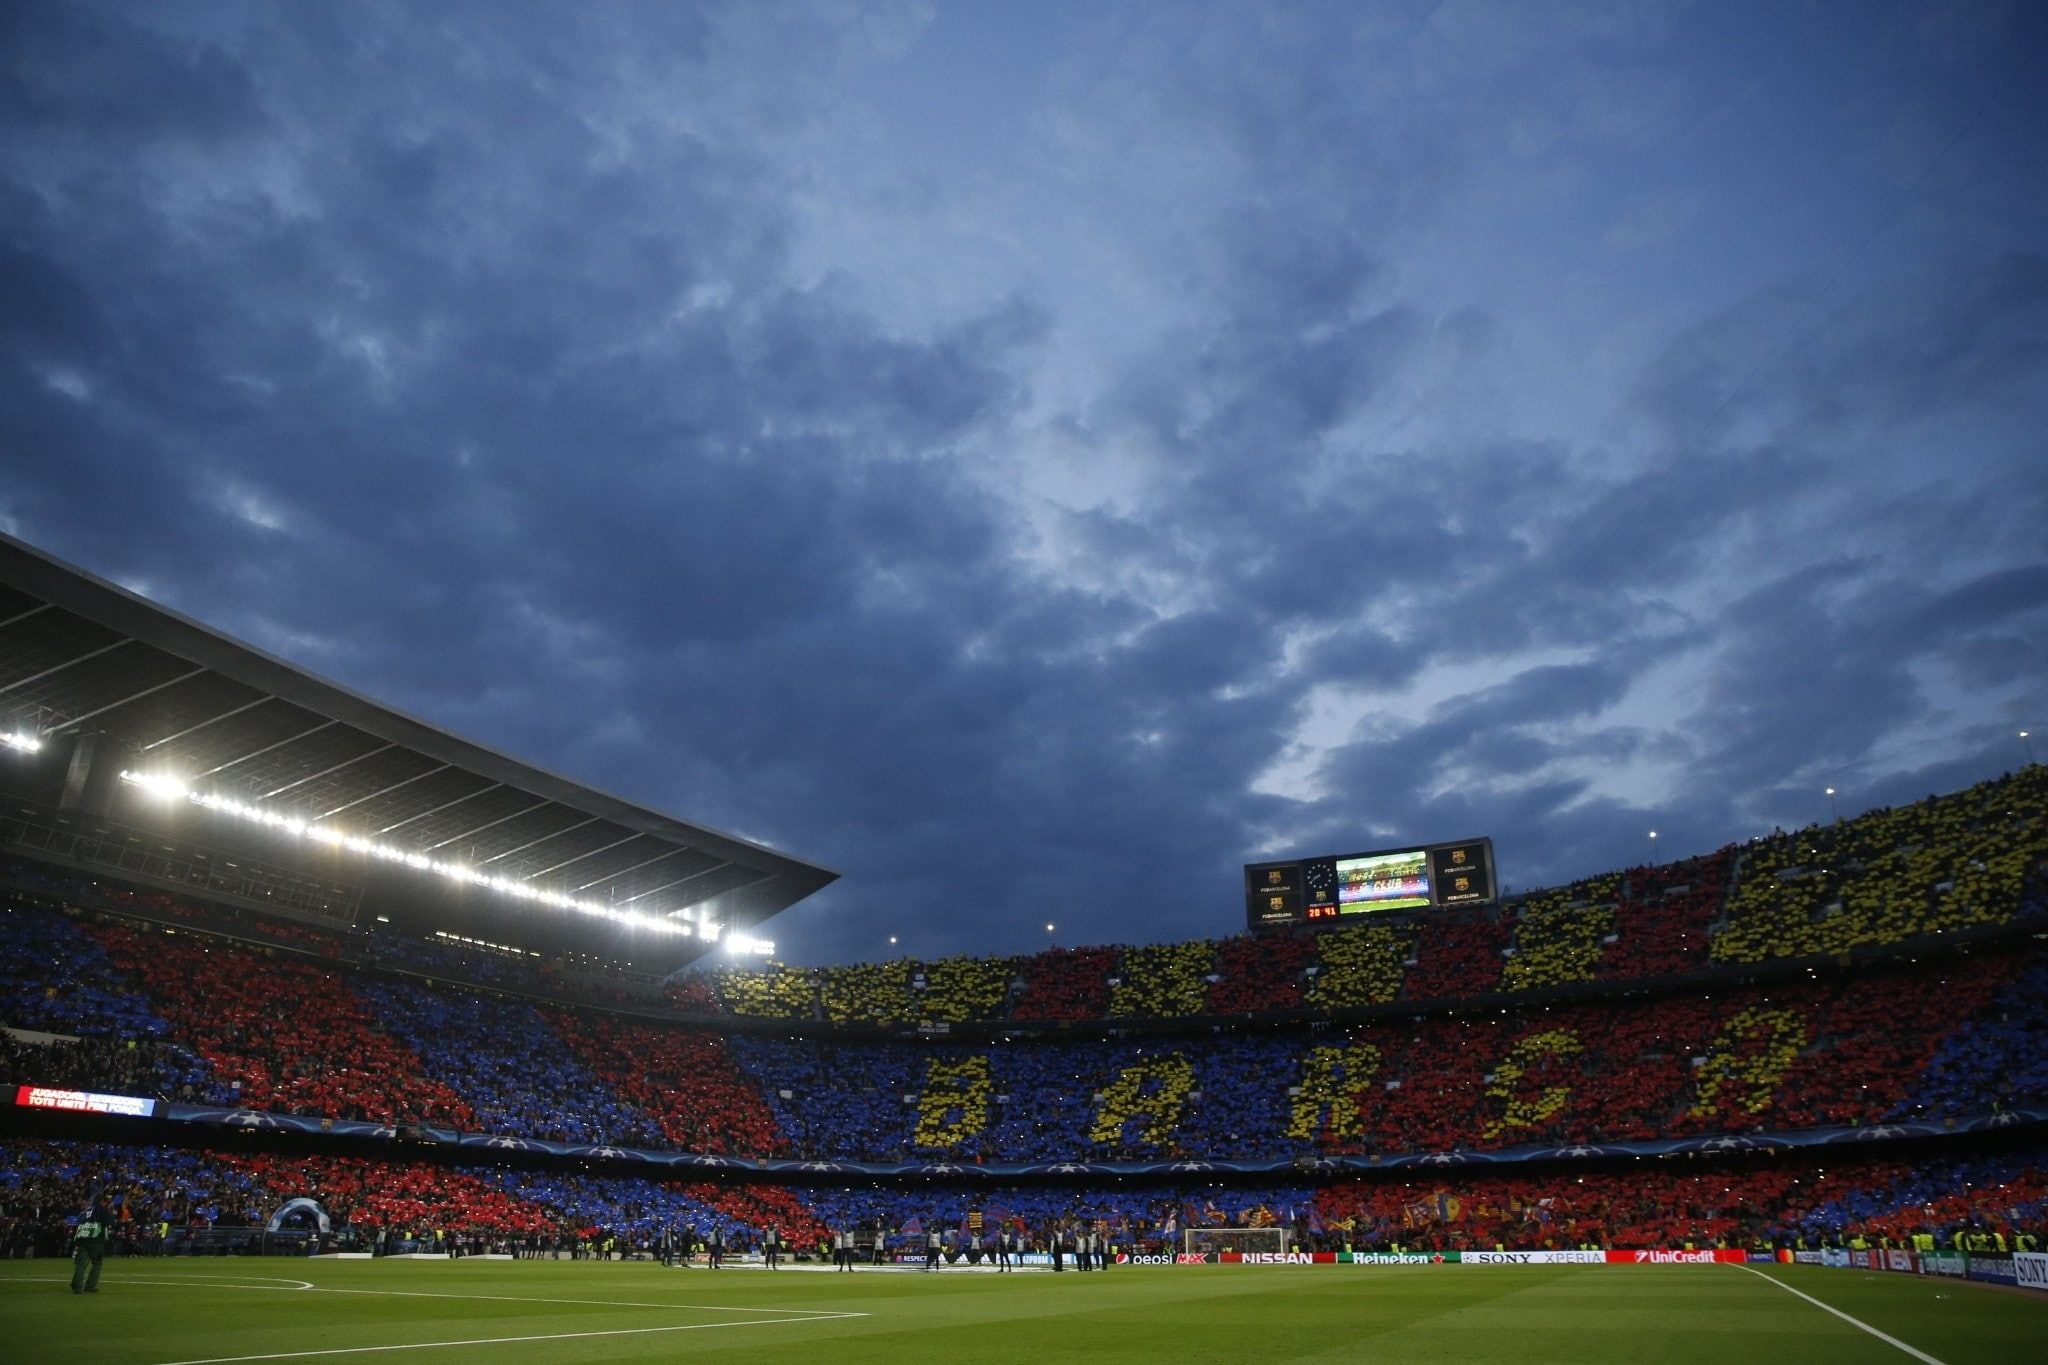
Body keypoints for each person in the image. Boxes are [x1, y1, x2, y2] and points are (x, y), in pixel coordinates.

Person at [70, 1196, 112, 1295]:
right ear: (102, 1201)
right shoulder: (102, 1209)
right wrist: (112, 1215)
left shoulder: (84, 1212)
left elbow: (77, 1226)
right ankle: (90, 1286)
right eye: (105, 1201)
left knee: (80, 1264)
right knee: (96, 1263)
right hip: (96, 1240)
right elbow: (108, 1222)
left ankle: (77, 1286)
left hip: (82, 1239)